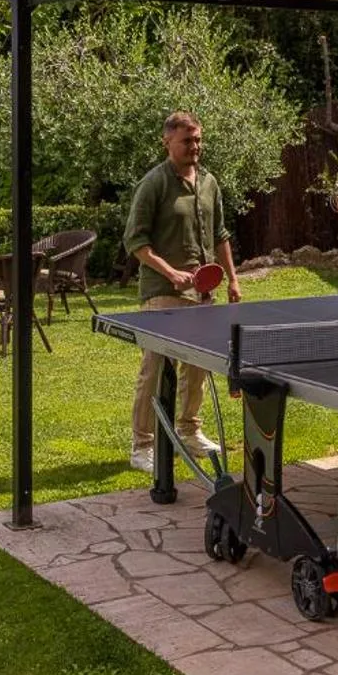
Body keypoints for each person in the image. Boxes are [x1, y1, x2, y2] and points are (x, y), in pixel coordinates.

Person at [122, 110, 242, 474]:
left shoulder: (209, 183)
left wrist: (232, 279)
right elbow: (135, 241)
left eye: (198, 140)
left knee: (198, 367)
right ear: (167, 141)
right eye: (187, 140)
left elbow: (220, 235)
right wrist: (170, 272)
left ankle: (189, 430)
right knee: (156, 369)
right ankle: (142, 445)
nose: (195, 146)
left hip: (202, 295)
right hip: (162, 292)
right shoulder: (154, 184)